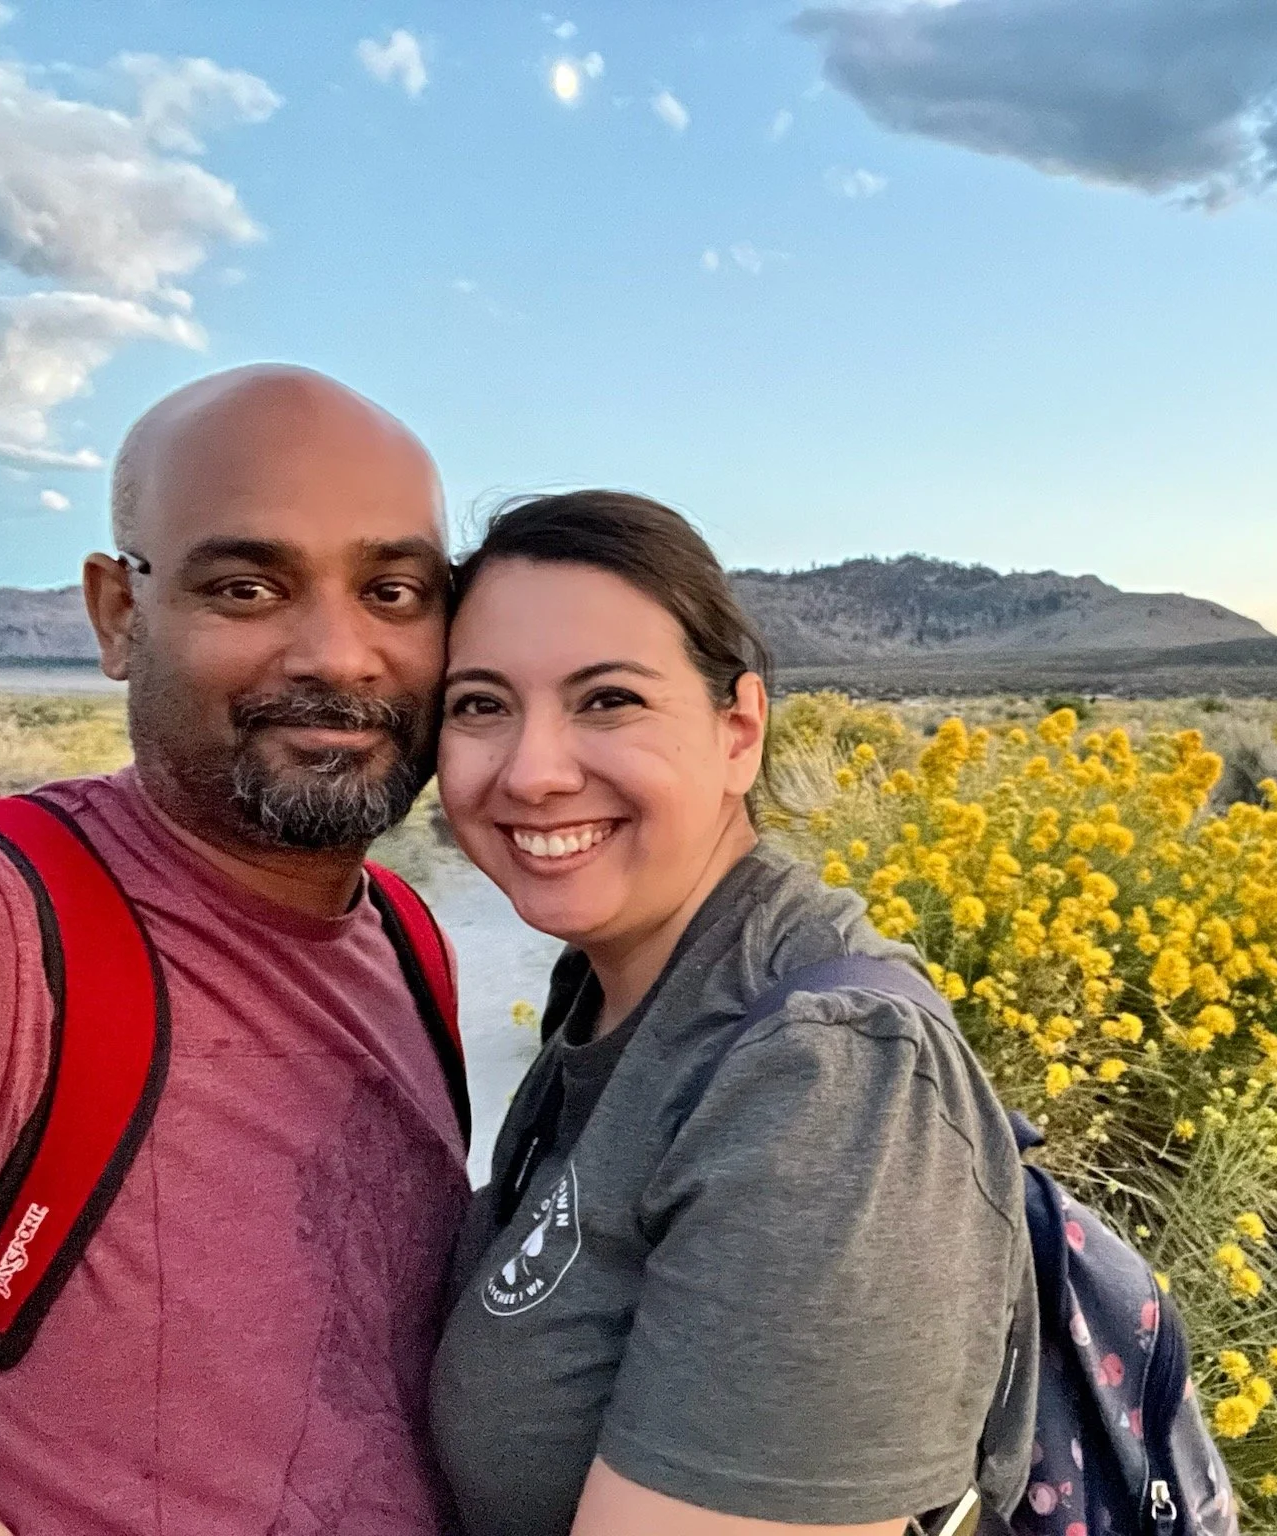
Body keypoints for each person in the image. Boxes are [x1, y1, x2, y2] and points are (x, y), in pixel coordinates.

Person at [0, 365, 471, 1535]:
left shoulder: (408, 940)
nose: (340, 654)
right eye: (248, 586)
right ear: (118, 615)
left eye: (395, 590)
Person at [427, 491, 1038, 1536]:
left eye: (608, 699)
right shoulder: (615, 990)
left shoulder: (830, 1083)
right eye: (480, 705)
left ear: (737, 731)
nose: (530, 771)